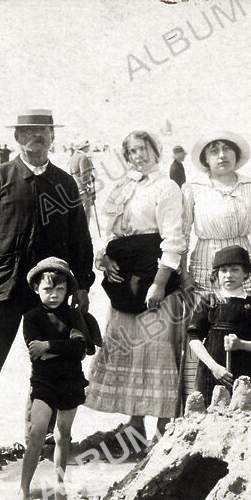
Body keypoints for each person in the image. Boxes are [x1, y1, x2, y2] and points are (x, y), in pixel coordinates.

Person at [0, 109, 94, 453]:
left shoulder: (65, 183)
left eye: (43, 131)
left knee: (49, 361)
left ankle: (42, 434)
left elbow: (80, 239)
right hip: (2, 285)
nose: (37, 137)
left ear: (53, 137)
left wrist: (82, 285)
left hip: (50, 293)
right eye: (29, 132)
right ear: (17, 138)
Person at [85, 130, 188, 443]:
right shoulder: (120, 187)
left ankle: (163, 431)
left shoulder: (166, 187)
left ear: (156, 151)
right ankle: (134, 426)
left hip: (154, 276)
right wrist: (103, 258)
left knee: (157, 351)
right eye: (132, 151)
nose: (139, 156)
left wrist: (159, 284)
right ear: (126, 155)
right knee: (131, 352)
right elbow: (101, 228)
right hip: (124, 279)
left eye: (144, 149)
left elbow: (173, 238)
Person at [180, 130, 251, 403]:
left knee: (246, 323)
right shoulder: (192, 188)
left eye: (227, 150)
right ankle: (201, 407)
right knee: (207, 330)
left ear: (237, 156)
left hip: (242, 263)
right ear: (205, 159)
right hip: (206, 264)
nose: (222, 156)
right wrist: (184, 273)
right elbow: (181, 234)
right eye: (214, 151)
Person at [19, 258, 89, 500]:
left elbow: (80, 348)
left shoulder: (73, 315)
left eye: (60, 289)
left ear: (67, 290)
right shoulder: (31, 317)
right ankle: (24, 489)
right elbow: (34, 352)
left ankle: (59, 483)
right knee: (37, 432)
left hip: (71, 380)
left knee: (63, 434)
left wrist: (48, 345)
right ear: (37, 288)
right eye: (48, 289)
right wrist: (62, 347)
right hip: (44, 381)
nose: (54, 295)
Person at [188, 246, 251, 404]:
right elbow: (193, 337)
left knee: (244, 415)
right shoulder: (209, 301)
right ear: (217, 274)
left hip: (246, 371)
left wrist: (242, 344)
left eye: (235, 270)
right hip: (211, 372)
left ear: (246, 273)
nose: (229, 275)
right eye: (223, 270)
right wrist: (214, 367)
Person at [68, 140, 96, 219]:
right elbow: (84, 175)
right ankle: (84, 231)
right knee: (85, 214)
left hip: (74, 188)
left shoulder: (73, 156)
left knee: (76, 214)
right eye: (88, 146)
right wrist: (90, 187)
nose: (89, 148)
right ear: (85, 147)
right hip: (83, 190)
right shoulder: (83, 157)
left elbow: (71, 172)